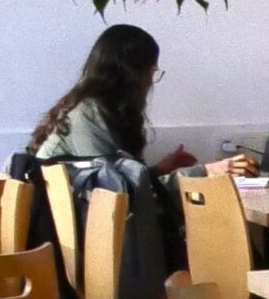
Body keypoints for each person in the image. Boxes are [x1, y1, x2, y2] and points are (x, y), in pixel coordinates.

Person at [28, 24, 249, 182]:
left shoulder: (91, 109)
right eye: (151, 71)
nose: (151, 81)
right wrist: (207, 172)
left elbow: (121, 183)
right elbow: (118, 190)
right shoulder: (88, 115)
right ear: (131, 74)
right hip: (89, 229)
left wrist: (160, 170)